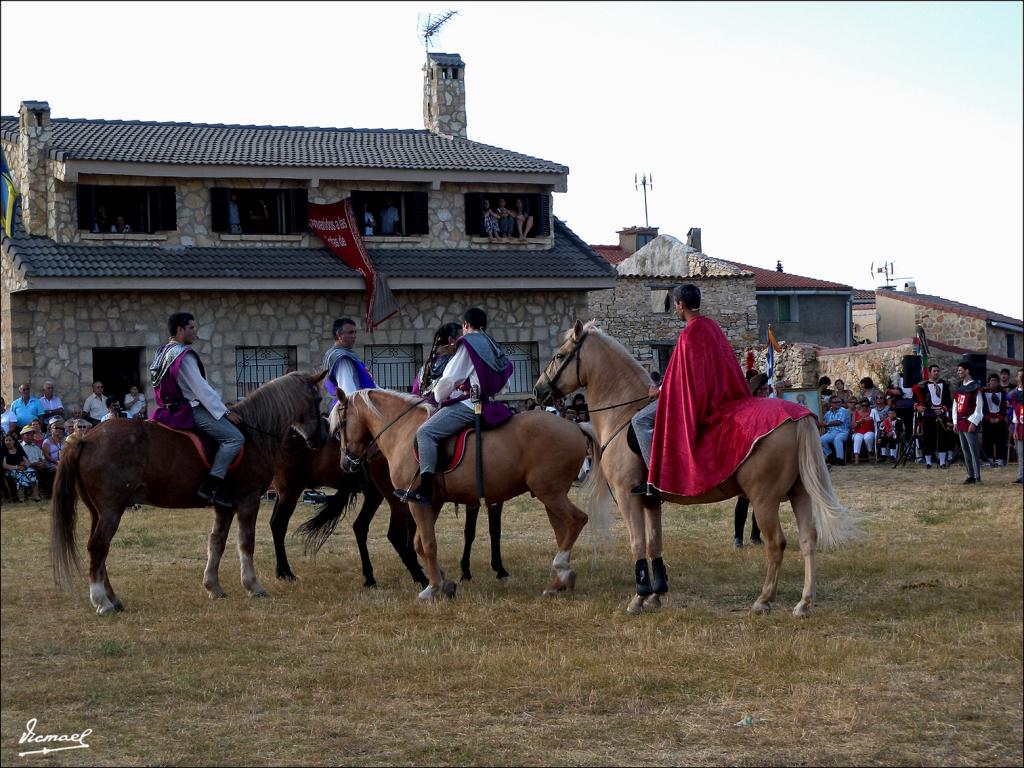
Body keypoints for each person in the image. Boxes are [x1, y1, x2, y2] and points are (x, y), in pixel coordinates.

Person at [631, 283, 806, 500]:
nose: (676, 310)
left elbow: (681, 378)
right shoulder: (712, 327)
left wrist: (658, 390)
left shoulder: (688, 335)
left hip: (695, 400)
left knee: (640, 421)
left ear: (681, 305)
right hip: (721, 394)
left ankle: (654, 482)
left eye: (675, 305)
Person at [400, 307, 513, 506]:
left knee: (425, 432)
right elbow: (506, 381)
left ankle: (425, 490)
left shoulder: (468, 343)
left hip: (471, 405)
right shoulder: (492, 344)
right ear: (484, 325)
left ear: (466, 325)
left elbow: (450, 378)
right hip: (491, 403)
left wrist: (437, 397)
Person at [150, 311, 244, 507]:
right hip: (189, 409)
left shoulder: (162, 352)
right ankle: (211, 486)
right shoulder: (182, 354)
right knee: (234, 438)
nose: (196, 332)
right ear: (180, 329)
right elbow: (202, 390)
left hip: (167, 409)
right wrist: (225, 412)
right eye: (192, 328)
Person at [733, 370, 769, 548]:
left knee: (760, 500)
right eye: (761, 389)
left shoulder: (769, 406)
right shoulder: (746, 407)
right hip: (746, 456)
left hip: (763, 457)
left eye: (766, 389)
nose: (764, 392)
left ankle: (756, 536)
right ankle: (738, 537)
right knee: (743, 499)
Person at [322, 317, 376, 409]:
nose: (354, 336)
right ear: (339, 335)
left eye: (355, 332)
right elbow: (349, 393)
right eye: (350, 332)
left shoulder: (340, 354)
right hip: (355, 411)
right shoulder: (342, 358)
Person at [913, 364, 953, 469]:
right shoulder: (923, 386)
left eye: (937, 371)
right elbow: (915, 400)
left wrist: (943, 409)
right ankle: (929, 462)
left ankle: (942, 462)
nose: (936, 373)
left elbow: (949, 401)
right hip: (928, 415)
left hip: (941, 415)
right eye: (934, 371)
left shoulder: (945, 385)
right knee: (927, 439)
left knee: (942, 438)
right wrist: (917, 407)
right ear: (930, 373)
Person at [952, 359, 985, 485]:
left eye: (960, 370)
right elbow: (955, 406)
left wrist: (973, 422)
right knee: (965, 450)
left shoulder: (975, 387)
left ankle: (977, 476)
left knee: (973, 450)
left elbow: (979, 407)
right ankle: (970, 475)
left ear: (967, 371)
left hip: (970, 422)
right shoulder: (960, 388)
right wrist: (955, 422)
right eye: (958, 370)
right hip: (960, 423)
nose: (958, 372)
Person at [413, 322, 463, 397]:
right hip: (445, 406)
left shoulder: (428, 365)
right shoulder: (456, 363)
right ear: (451, 340)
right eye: (462, 338)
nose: (464, 342)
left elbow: (415, 394)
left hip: (425, 406)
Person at [3, 432, 41, 502]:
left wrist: (25, 465)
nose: (8, 442)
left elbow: (27, 462)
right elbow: (5, 465)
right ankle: (21, 498)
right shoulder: (3, 451)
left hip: (21, 468)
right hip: (9, 470)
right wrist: (17, 467)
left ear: (14, 441)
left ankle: (35, 495)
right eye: (6, 440)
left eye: (10, 440)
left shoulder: (19, 449)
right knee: (20, 475)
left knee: (32, 472)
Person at [20, 424, 54, 497]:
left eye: (31, 435)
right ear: (22, 436)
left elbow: (42, 458)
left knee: (52, 470)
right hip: (28, 467)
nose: (30, 437)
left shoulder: (36, 447)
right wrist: (34, 464)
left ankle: (49, 493)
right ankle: (41, 493)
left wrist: (42, 464)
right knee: (41, 472)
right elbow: (21, 462)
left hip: (39, 466)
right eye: (27, 435)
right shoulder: (20, 448)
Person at [981, 374, 1007, 467]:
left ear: (997, 382)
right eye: (991, 380)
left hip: (999, 420)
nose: (993, 382)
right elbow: (982, 406)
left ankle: (1000, 459)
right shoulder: (983, 393)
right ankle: (989, 460)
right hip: (988, 420)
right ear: (988, 382)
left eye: (995, 380)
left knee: (1000, 439)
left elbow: (1004, 406)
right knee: (988, 440)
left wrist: (999, 418)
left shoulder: (1002, 393)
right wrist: (988, 418)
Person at [820, 396, 852, 465]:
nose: (838, 403)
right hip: (831, 432)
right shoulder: (828, 413)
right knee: (820, 440)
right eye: (835, 402)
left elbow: (838, 422)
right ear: (831, 404)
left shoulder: (843, 410)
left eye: (839, 402)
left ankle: (840, 460)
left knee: (837, 439)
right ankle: (830, 456)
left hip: (843, 431)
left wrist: (826, 424)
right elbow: (822, 421)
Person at [1009, 368, 1024, 484]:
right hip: (1020, 427)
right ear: (1016, 378)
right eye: (1020, 375)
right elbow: (1015, 412)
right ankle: (1021, 476)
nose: (1021, 378)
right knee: (1020, 453)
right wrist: (1014, 429)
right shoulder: (1014, 394)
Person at [851, 398, 876, 464]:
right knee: (857, 438)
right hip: (858, 431)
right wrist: (858, 422)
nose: (865, 407)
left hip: (869, 430)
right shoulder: (855, 413)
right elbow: (852, 426)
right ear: (860, 405)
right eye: (863, 405)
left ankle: (870, 452)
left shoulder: (872, 412)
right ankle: (856, 459)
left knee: (868, 437)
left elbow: (877, 421)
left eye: (866, 405)